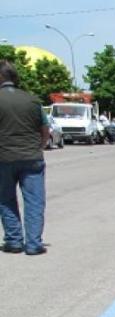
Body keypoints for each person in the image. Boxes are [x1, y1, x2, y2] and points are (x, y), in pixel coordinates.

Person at [0, 61, 49, 256]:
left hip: (3, 157)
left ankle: (14, 241)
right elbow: (45, 130)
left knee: (5, 200)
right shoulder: (33, 100)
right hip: (32, 157)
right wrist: (39, 147)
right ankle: (34, 243)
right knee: (34, 201)